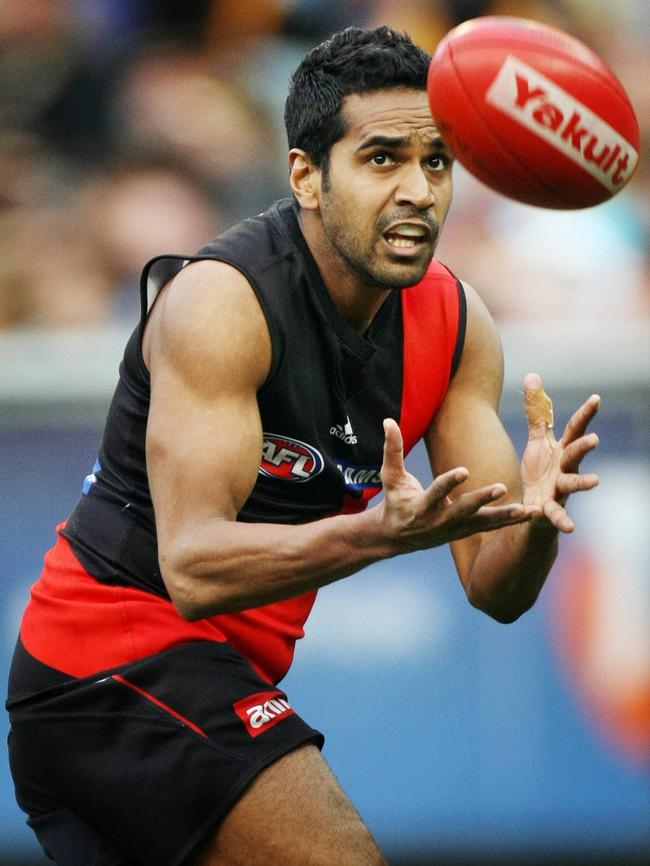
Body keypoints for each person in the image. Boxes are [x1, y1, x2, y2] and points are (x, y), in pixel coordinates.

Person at [6, 25, 601, 866]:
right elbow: (193, 568)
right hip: (108, 666)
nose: (420, 190)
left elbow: (495, 591)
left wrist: (535, 519)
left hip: (203, 683)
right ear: (306, 176)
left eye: (437, 162)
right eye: (383, 158)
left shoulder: (458, 324)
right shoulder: (223, 303)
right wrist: (377, 534)